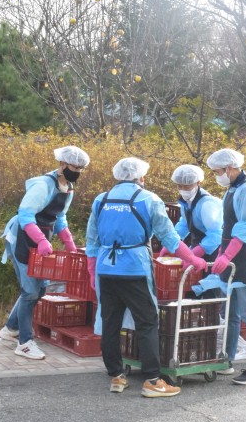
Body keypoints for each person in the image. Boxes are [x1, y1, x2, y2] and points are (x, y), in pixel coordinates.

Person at [86, 157, 207, 398]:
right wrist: (194, 259)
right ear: (140, 177)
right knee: (148, 321)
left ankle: (116, 375)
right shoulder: (148, 199)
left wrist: (92, 271)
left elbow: (92, 240)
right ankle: (152, 380)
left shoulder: (101, 200)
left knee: (110, 322)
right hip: (134, 269)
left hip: (106, 269)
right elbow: (170, 237)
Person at [0, 146, 90, 360]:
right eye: (75, 167)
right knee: (30, 291)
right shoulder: (42, 185)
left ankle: (10, 329)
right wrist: (40, 240)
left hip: (41, 239)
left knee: (40, 290)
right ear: (63, 164)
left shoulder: (68, 187)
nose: (77, 172)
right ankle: (24, 343)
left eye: (81, 169)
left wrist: (69, 243)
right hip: (22, 237)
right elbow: (25, 215)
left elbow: (60, 217)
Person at [207, 148, 246, 385]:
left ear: (231, 168)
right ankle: (227, 359)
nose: (217, 176)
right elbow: (227, 227)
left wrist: (226, 255)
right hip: (231, 253)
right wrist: (221, 253)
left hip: (245, 258)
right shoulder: (232, 189)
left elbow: (244, 228)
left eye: (218, 172)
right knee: (230, 313)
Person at [161, 164, 223, 262]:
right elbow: (184, 224)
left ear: (198, 183)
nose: (183, 190)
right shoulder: (186, 202)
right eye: (179, 186)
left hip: (214, 251)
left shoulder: (207, 204)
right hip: (197, 244)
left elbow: (216, 234)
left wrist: (197, 252)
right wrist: (172, 242)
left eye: (187, 186)